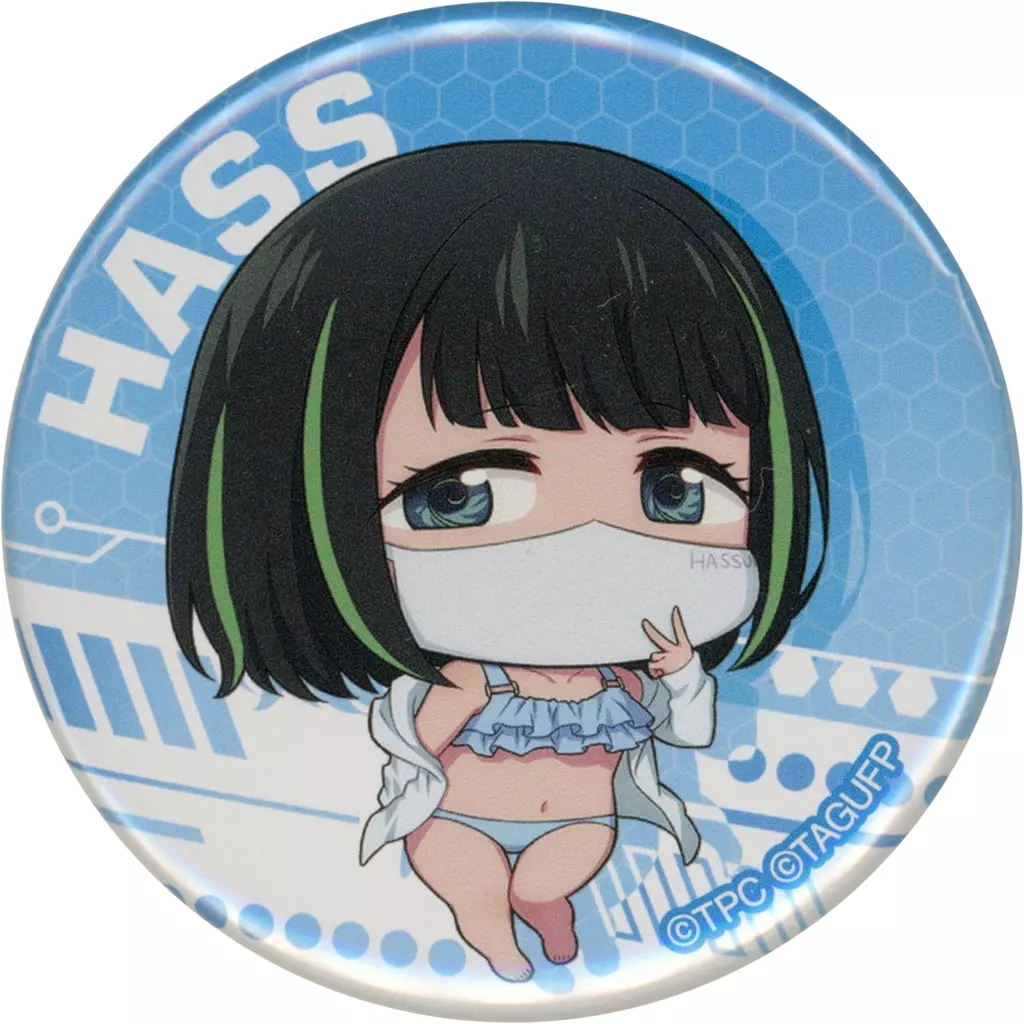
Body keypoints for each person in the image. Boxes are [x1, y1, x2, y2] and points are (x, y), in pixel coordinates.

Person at [166, 140, 829, 981]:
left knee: (553, 876)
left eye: (675, 490)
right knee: (470, 879)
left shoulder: (626, 684)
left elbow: (689, 732)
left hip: (580, 826)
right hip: (455, 818)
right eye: (459, 497)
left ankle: (544, 910)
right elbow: (413, 744)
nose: (589, 558)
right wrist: (454, 705)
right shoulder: (461, 679)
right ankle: (494, 931)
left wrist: (685, 674)